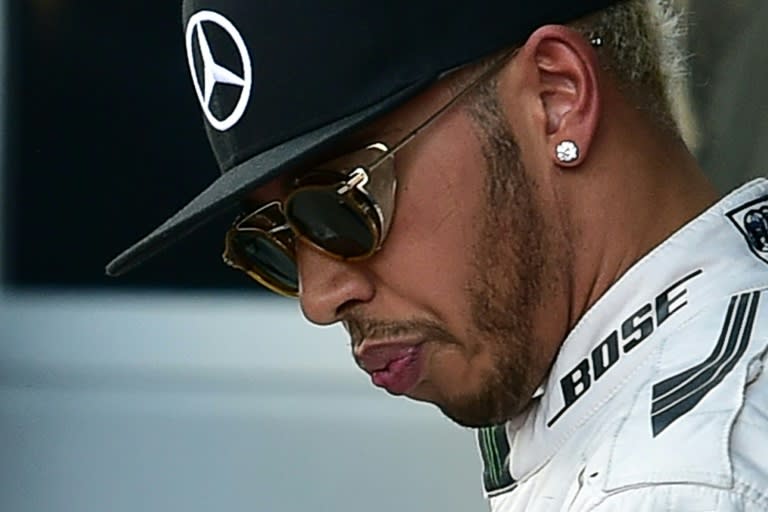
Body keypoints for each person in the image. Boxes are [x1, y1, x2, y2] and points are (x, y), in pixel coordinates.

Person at [108, 0, 768, 510]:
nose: (319, 297)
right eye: (276, 238)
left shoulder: (678, 484)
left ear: (556, 98)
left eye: (343, 202)